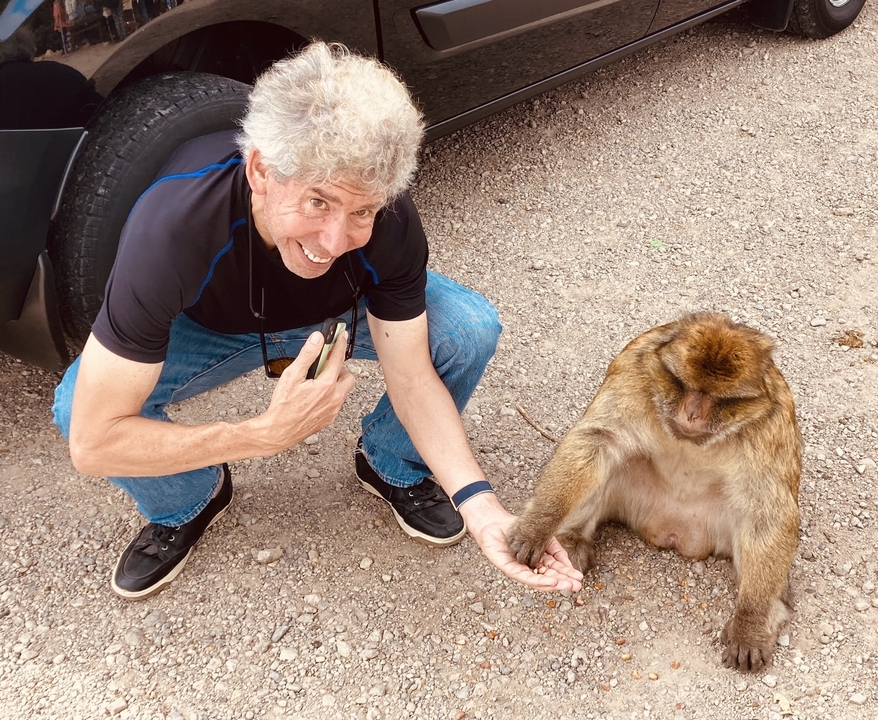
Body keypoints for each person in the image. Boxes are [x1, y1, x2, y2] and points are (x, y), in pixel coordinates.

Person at [52, 42, 582, 601]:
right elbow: (92, 442)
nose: (335, 241)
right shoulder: (172, 229)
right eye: (317, 202)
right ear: (260, 169)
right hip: (210, 326)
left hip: (343, 313)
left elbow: (410, 376)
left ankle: (391, 462)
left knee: (466, 328)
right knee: (76, 404)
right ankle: (188, 498)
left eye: (361, 212)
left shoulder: (390, 220)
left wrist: (483, 508)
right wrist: (256, 437)